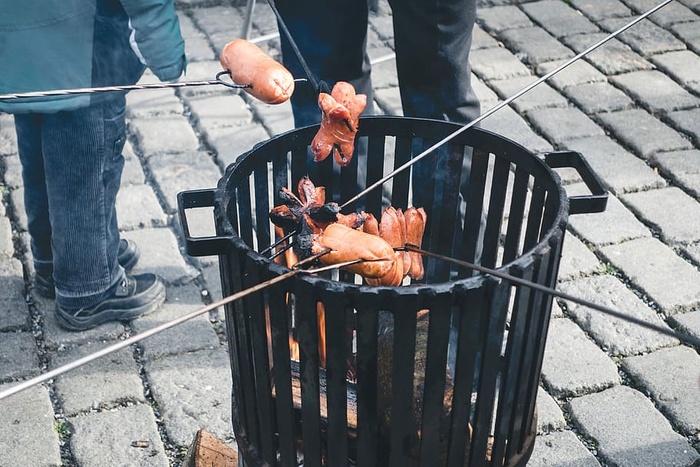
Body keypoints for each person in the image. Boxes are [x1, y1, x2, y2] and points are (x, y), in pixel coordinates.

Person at [0, 0, 187, 331]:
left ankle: (54, 262)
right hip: (83, 54)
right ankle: (88, 286)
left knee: (39, 152)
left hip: (23, 51)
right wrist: (167, 57)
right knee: (87, 169)